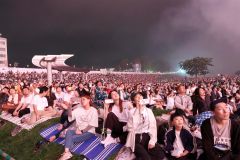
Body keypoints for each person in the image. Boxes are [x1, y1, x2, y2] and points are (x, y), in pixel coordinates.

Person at [59, 91, 98, 160]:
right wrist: (70, 105)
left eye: (84, 99)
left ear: (89, 100)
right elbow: (70, 115)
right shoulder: (79, 109)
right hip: (78, 130)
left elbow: (92, 125)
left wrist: (82, 131)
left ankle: (67, 152)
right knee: (69, 132)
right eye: (81, 99)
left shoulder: (93, 110)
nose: (82, 101)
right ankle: (67, 152)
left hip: (89, 132)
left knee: (70, 138)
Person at [125, 92, 165, 160]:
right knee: (146, 157)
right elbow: (130, 127)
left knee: (160, 155)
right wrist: (138, 111)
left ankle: (140, 157)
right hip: (135, 137)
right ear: (134, 101)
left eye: (140, 96)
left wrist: (152, 140)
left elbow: (153, 126)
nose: (139, 98)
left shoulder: (148, 111)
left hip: (147, 136)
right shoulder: (132, 112)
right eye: (137, 97)